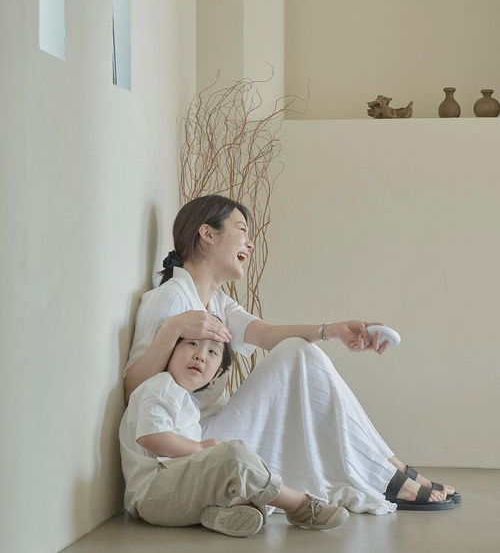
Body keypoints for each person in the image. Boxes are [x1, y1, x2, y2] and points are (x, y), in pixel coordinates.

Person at [124, 195, 459, 515]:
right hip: (183, 446)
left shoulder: (218, 303)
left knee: (298, 351)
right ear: (208, 234)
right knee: (296, 352)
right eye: (241, 230)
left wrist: (335, 330)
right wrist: (171, 330)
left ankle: (389, 467)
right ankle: (386, 474)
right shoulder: (171, 297)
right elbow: (133, 391)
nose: (250, 244)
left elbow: (268, 335)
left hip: (210, 434)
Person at [119, 328, 350, 536]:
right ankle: (299, 506)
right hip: (154, 494)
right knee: (233, 455)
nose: (200, 355)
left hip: (173, 501)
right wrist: (200, 448)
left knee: (240, 481)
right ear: (171, 351)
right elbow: (152, 437)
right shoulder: (161, 386)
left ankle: (225, 514)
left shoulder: (187, 403)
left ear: (216, 375)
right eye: (192, 344)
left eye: (212, 352)